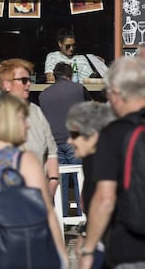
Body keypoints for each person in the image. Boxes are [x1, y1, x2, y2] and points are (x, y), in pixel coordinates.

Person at [0, 91, 68, 269]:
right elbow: (46, 211)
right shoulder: (23, 160)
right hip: (14, 255)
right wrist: (62, 258)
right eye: (23, 119)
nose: (28, 126)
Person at [79, 57, 145, 269]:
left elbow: (105, 199)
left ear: (116, 93)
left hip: (129, 248)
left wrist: (89, 249)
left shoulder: (114, 134)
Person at [0, 58, 59, 198]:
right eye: (23, 80)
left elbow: (52, 151)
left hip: (38, 193)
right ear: (7, 85)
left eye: (29, 79)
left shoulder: (35, 111)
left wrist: (53, 181)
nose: (28, 84)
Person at [65, 101, 115, 269]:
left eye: (74, 134)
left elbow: (105, 201)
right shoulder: (90, 157)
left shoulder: (108, 160)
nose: (69, 140)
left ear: (92, 135)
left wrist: (88, 249)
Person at [39, 62, 93, 217]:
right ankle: (81, 216)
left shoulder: (43, 94)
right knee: (79, 178)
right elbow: (91, 108)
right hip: (74, 140)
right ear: (69, 76)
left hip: (54, 142)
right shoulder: (78, 89)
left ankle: (63, 218)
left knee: (60, 180)